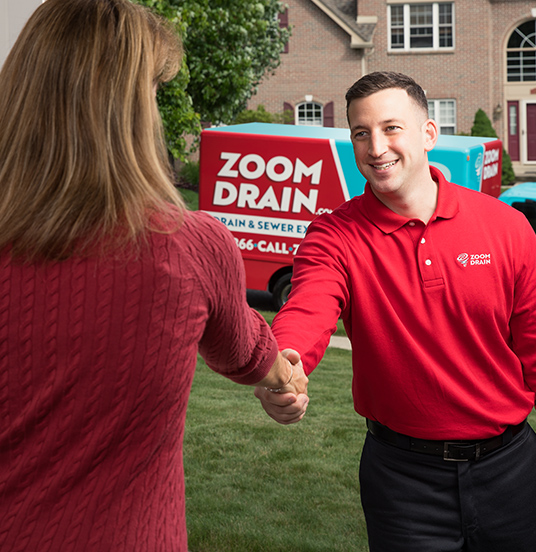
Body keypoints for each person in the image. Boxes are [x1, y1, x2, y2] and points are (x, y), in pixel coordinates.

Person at [0, 1, 307, 551]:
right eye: (154, 95)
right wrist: (283, 382)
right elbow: (251, 355)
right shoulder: (192, 247)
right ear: (135, 112)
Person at [255, 71, 536, 551]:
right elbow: (307, 309)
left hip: (511, 473)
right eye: (361, 132)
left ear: (429, 133)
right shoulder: (334, 235)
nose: (376, 147)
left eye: (391, 127)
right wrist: (286, 362)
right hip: (401, 483)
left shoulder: (506, 228)